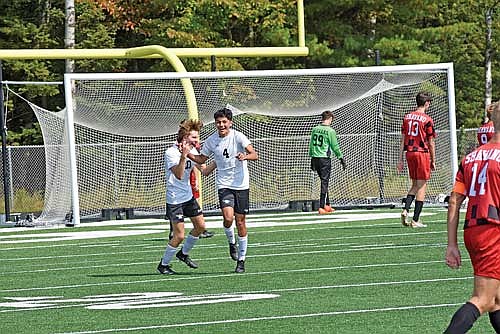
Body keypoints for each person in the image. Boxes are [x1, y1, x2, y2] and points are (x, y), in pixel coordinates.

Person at [443, 101, 500, 334]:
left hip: (473, 231)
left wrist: (452, 244)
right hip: (493, 230)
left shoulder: (470, 157)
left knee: (496, 300)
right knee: (483, 299)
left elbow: (455, 200)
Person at [188, 107, 258, 273]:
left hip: (241, 185)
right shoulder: (212, 141)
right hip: (224, 184)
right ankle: (231, 242)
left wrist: (245, 156)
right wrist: (187, 153)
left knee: (240, 222)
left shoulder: (238, 136)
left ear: (230, 123)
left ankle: (241, 260)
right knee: (228, 218)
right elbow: (202, 159)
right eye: (218, 122)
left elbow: (255, 154)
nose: (221, 125)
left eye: (224, 122)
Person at [157, 119, 207, 275]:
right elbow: (179, 175)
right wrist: (184, 156)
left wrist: (220, 160)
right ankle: (163, 265)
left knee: (201, 227)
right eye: (193, 138)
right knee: (179, 236)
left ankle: (183, 254)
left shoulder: (193, 151)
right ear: (185, 137)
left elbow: (204, 170)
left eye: (197, 137)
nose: (196, 141)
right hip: (175, 199)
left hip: (188, 196)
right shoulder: (171, 152)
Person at [397, 92, 436, 228]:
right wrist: (433, 159)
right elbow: (431, 142)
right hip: (421, 153)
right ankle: (415, 219)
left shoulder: (407, 117)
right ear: (426, 103)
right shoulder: (427, 119)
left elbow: (403, 139)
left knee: (414, 184)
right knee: (422, 185)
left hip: (409, 153)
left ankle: (405, 209)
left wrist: (400, 159)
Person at [308, 110, 346, 215]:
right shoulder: (330, 131)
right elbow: (335, 146)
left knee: (325, 181)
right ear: (329, 119)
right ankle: (321, 207)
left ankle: (327, 205)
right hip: (324, 159)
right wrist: (341, 158)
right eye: (331, 120)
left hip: (315, 158)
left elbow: (311, 144)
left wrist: (311, 158)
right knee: (325, 182)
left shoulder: (315, 129)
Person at [189, 140, 215, 239]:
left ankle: (201, 229)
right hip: (182, 184)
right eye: (194, 136)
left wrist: (215, 163)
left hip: (190, 181)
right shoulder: (178, 148)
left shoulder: (195, 148)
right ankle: (173, 231)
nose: (196, 139)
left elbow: (200, 167)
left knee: (194, 205)